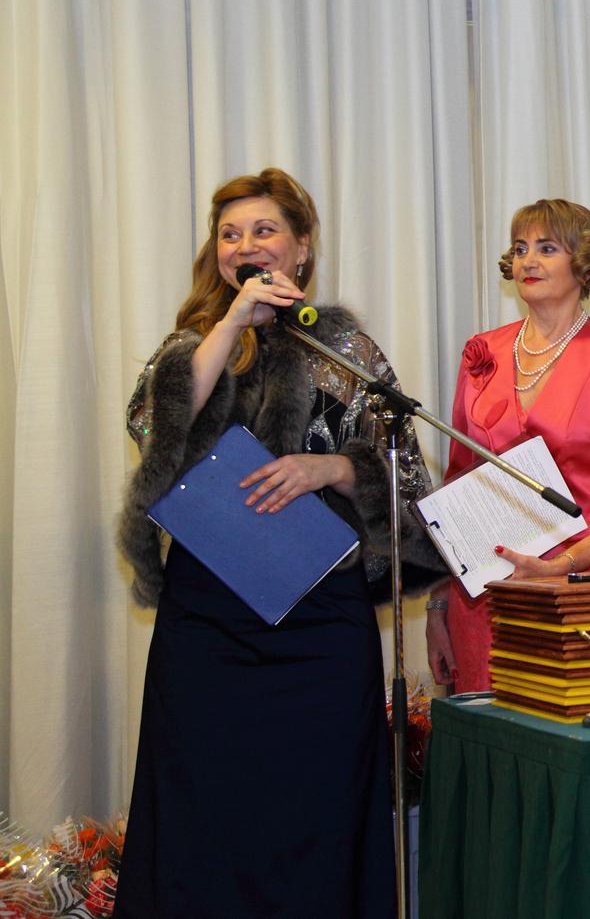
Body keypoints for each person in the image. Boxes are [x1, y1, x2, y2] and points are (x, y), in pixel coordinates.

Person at [114, 168, 444, 917]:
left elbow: (409, 481)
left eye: (263, 230)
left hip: (320, 623)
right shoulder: (193, 343)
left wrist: (334, 468)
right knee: (204, 813)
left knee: (319, 812)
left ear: (300, 247)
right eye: (230, 234)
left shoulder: (346, 349)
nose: (245, 245)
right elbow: (152, 430)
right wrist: (233, 322)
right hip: (208, 624)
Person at [425, 199, 590, 693]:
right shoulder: (483, 352)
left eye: (547, 248)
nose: (528, 260)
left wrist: (563, 567)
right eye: (520, 248)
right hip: (488, 596)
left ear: (585, 264)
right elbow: (456, 493)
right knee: (492, 731)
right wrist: (437, 605)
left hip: (584, 590)